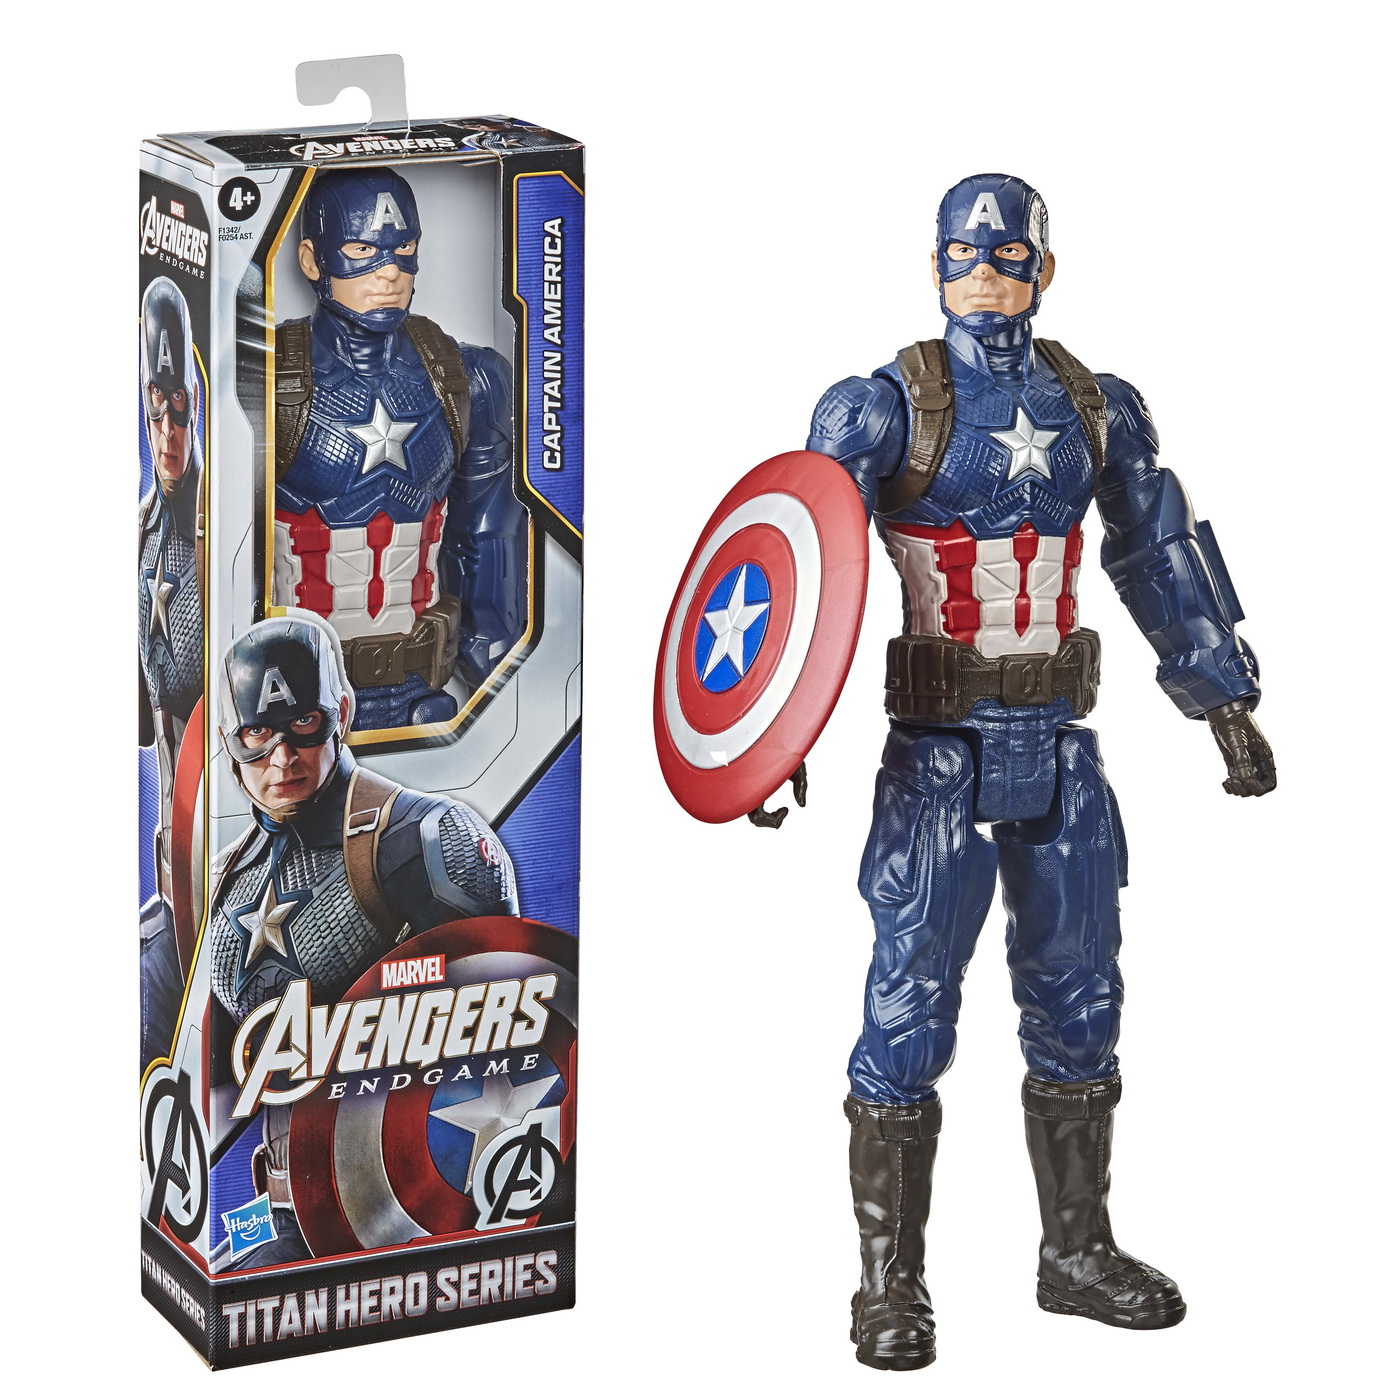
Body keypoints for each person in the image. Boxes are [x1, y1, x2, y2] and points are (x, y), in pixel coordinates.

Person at [803, 174, 1275, 1369]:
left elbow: (1156, 547)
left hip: (1060, 746)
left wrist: (1221, 698)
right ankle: (886, 1281)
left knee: (1079, 998)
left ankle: (1074, 1252)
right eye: (960, 253)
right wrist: (774, 732)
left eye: (1005, 254)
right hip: (937, 755)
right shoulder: (878, 409)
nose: (981, 272)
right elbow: (798, 573)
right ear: (931, 264)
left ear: (1041, 269)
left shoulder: (1093, 405)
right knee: (908, 1006)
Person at [206, 612, 518, 1266]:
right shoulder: (228, 881)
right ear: (230, 740)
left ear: (341, 712)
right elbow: (214, 1083)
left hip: (414, 1220)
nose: (282, 758)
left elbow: (515, 1047)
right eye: (258, 734)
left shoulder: (427, 842)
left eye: (304, 723)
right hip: (284, 1213)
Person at [274, 168, 528, 732]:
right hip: (298, 711)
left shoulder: (470, 380)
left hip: (424, 700)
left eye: (404, 250)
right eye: (362, 250)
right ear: (313, 261)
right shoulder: (266, 383)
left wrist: (507, 701)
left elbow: (487, 539)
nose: (389, 272)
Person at [138, 276, 204, 1065]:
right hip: (170, 847)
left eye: (180, 413)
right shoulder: (142, 533)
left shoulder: (224, 537)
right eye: (156, 414)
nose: (167, 434)